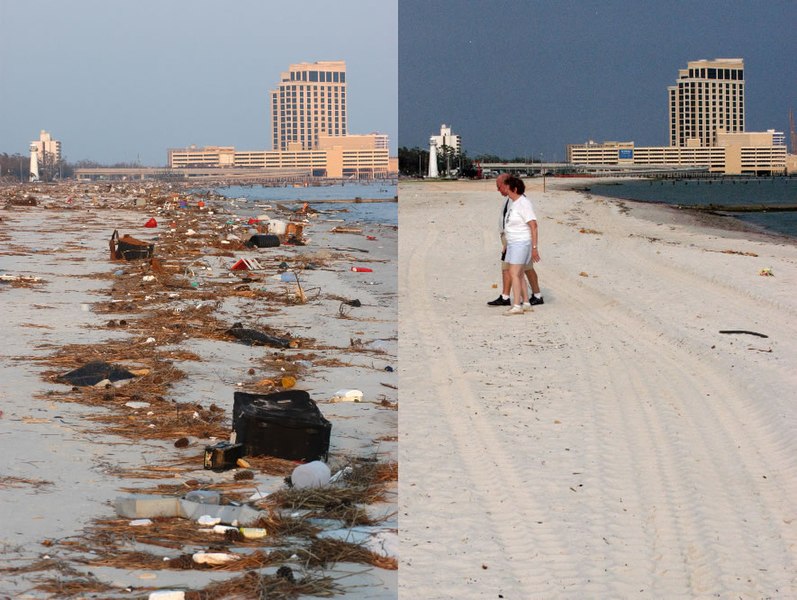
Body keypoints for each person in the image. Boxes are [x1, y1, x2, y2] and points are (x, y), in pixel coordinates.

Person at [487, 173, 543, 307]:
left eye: (500, 186)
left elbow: (533, 225)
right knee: (516, 269)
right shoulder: (511, 199)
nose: (499, 189)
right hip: (512, 240)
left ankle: (523, 300)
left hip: (520, 241)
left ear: (509, 186)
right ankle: (519, 298)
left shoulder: (519, 200)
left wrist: (534, 247)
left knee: (519, 270)